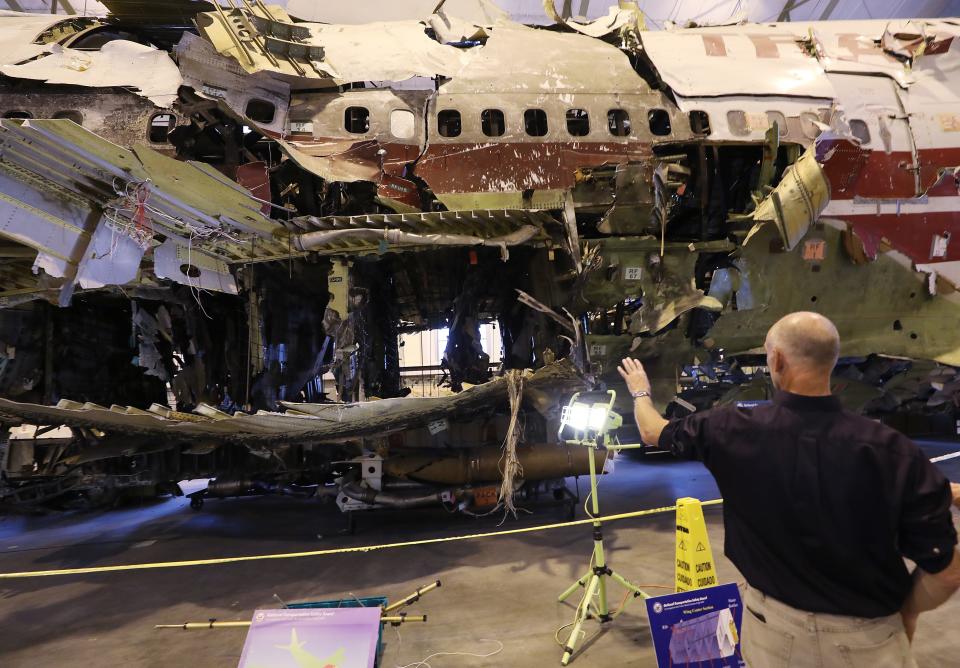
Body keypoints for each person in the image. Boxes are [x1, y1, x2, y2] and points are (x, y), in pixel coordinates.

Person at [618, 311, 960, 667]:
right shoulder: (892, 451)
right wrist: (906, 614)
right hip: (868, 640)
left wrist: (640, 390)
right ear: (834, 360)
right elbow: (948, 571)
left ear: (776, 359)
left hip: (772, 635)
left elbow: (652, 431)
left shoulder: (728, 429)